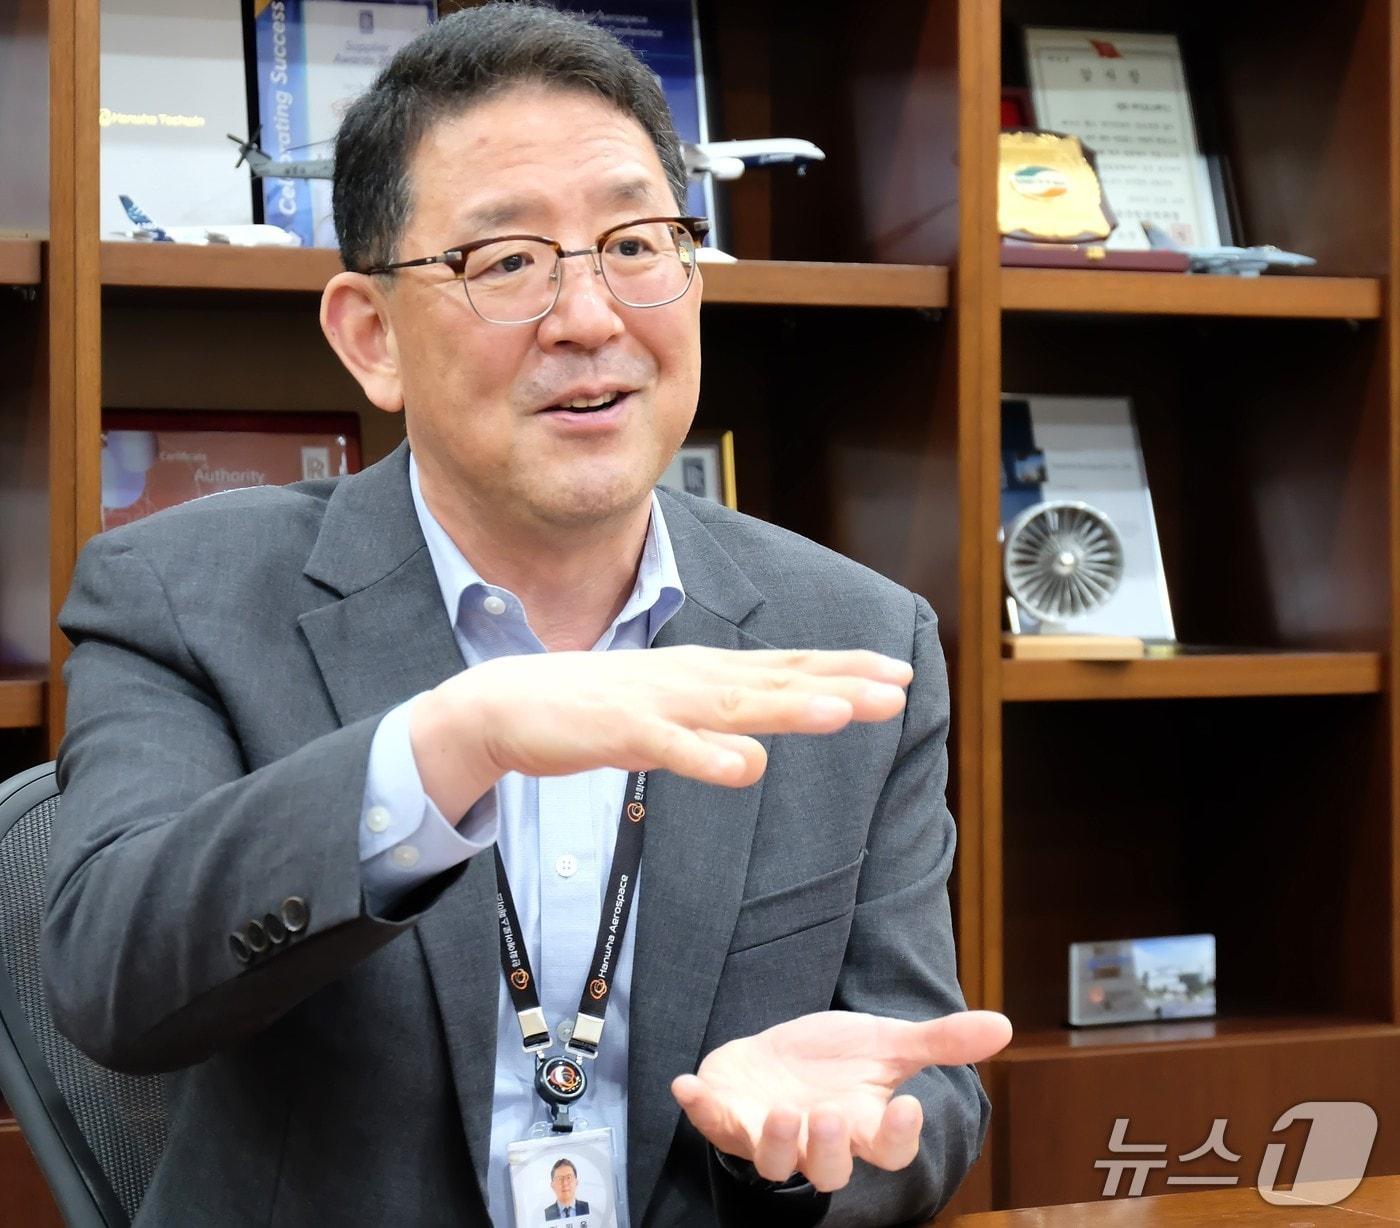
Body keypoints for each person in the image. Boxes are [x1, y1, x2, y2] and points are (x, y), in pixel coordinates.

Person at [43, 5, 1010, 1226]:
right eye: (505, 263)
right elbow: (109, 979)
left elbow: (921, 1082)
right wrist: (447, 748)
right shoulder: (183, 592)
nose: (589, 318)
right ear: (371, 336)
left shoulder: (855, 637)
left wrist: (797, 1146)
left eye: (636, 244)